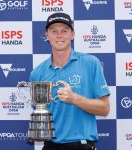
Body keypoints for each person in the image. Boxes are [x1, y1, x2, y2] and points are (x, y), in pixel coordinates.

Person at [29, 12, 110, 150]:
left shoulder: (91, 63)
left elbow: (104, 109)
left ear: (72, 34)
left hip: (82, 145)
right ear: (47, 35)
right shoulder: (37, 73)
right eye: (54, 31)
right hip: (50, 146)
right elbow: (40, 113)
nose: (59, 35)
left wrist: (74, 98)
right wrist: (37, 131)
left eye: (64, 31)